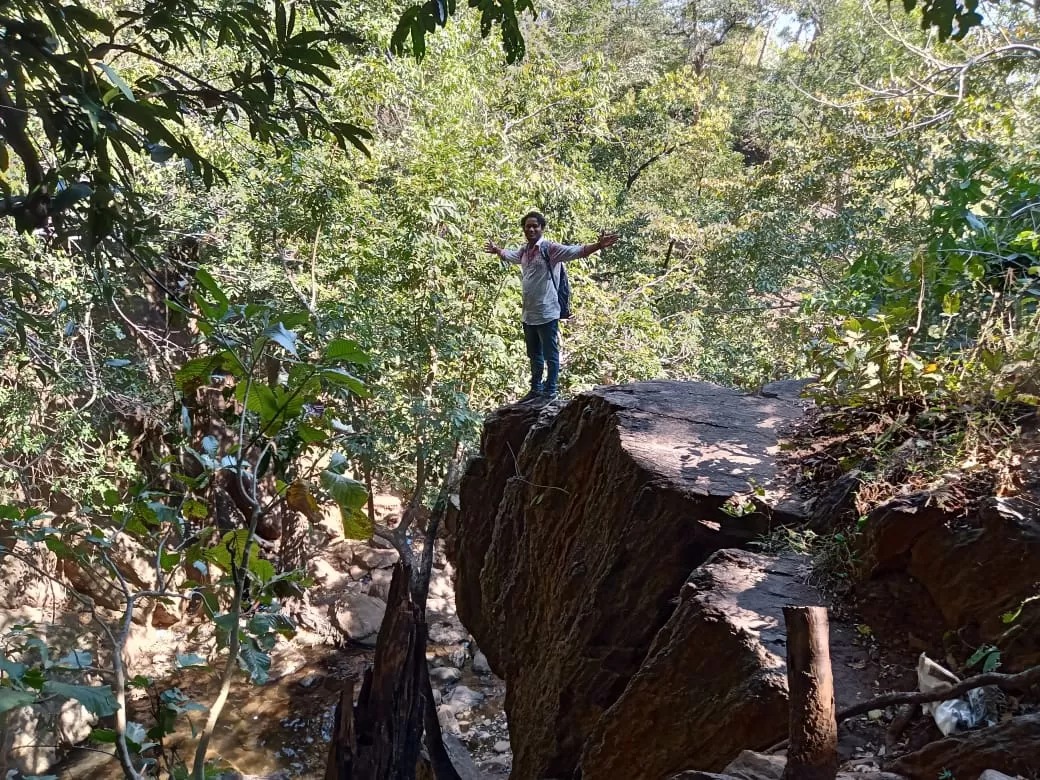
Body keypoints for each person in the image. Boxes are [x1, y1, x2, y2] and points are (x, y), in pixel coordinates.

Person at [485, 211, 618, 402]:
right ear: (524, 229)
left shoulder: (550, 249)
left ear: (541, 228)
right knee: (534, 355)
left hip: (547, 312)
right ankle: (536, 389)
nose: (531, 229)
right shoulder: (524, 251)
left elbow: (576, 251)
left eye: (535, 226)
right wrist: (497, 250)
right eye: (528, 226)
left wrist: (598, 245)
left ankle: (550, 391)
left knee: (550, 353)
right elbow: (510, 255)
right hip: (529, 313)